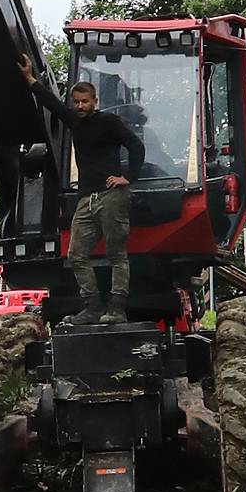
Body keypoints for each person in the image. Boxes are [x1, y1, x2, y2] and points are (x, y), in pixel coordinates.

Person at [58, 72, 145, 321]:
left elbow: (136, 145)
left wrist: (129, 176)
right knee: (76, 254)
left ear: (94, 101)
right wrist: (31, 81)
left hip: (111, 195)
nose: (80, 106)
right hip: (86, 198)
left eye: (84, 101)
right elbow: (51, 104)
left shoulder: (109, 122)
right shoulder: (74, 122)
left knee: (116, 253)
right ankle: (93, 307)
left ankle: (117, 308)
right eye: (76, 101)